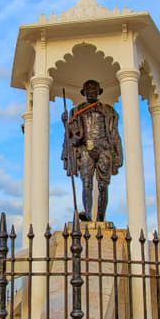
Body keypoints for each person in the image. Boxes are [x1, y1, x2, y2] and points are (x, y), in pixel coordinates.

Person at [61, 79, 123, 222]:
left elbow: (114, 134)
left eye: (94, 90)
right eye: (88, 90)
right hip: (86, 149)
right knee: (86, 182)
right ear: (84, 93)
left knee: (103, 185)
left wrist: (118, 153)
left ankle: (100, 217)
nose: (91, 93)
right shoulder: (76, 111)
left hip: (104, 148)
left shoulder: (108, 111)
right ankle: (88, 213)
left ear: (99, 92)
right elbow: (72, 135)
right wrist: (65, 123)